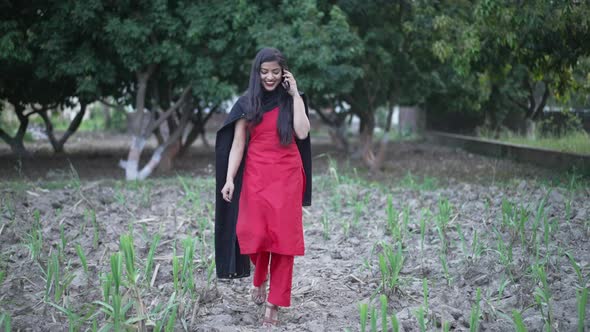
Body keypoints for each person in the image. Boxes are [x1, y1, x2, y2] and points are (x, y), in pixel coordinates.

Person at [214, 47, 312, 327]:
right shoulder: (247, 104)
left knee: (283, 241)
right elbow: (237, 144)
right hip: (256, 176)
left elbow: (303, 132)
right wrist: (230, 178)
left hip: (287, 176)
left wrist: (294, 96)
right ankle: (259, 277)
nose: (270, 77)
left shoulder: (292, 99)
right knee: (252, 233)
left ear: (284, 73)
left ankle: (274, 304)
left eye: (275, 72)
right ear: (257, 73)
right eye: (265, 71)